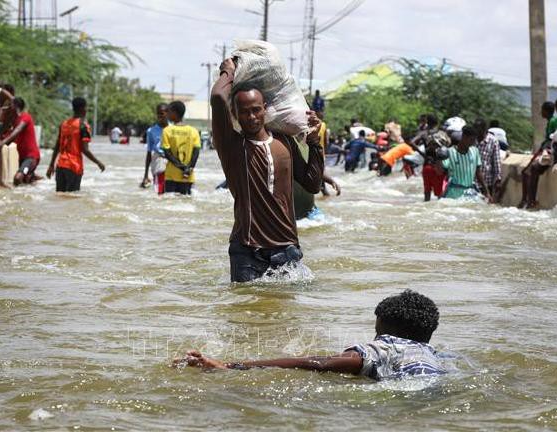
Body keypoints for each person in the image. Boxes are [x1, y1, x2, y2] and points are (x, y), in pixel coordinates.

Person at [211, 58, 323, 283]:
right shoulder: (231, 145)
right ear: (235, 114)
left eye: (255, 110)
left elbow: (312, 183)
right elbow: (217, 97)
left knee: (285, 317)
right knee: (247, 314)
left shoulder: (286, 142)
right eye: (244, 112)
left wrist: (315, 144)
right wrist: (228, 72)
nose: (251, 117)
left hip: (287, 248)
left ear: (265, 109)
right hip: (247, 251)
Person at [173, 290, 445, 380]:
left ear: (382, 329)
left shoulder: (383, 349)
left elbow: (317, 363)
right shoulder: (435, 356)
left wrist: (228, 366)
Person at [46, 97, 105, 192]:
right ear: (82, 109)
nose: (86, 110)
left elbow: (57, 146)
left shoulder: (64, 124)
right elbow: (85, 150)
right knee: (72, 199)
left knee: (61, 197)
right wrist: (98, 163)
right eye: (86, 108)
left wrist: (51, 165)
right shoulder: (83, 126)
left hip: (61, 166)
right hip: (74, 166)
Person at [0, 97, 41, 186]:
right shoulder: (14, 122)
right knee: (25, 183)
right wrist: (1, 117)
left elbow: (17, 131)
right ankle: (32, 178)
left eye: (9, 105)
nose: (8, 108)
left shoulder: (25, 117)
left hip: (31, 157)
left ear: (15, 106)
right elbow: (1, 136)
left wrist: (3, 142)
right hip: (22, 159)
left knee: (17, 178)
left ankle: (31, 177)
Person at [440, 125, 491, 201]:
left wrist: (487, 192)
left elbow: (478, 172)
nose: (473, 142)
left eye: (474, 140)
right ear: (463, 137)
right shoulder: (450, 152)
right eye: (471, 140)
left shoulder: (475, 151)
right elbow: (440, 171)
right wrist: (438, 159)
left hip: (470, 191)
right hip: (453, 192)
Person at [160, 101, 201, 195]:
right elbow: (196, 153)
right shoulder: (193, 131)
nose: (167, 114)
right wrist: (188, 168)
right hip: (188, 176)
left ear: (174, 113)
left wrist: (182, 168)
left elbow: (167, 154)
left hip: (171, 176)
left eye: (168, 111)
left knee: (171, 204)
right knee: (186, 205)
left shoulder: (167, 131)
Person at [410, 114, 449, 200]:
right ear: (437, 122)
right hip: (439, 166)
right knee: (440, 195)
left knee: (427, 194)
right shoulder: (442, 133)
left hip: (427, 165)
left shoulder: (424, 133)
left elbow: (411, 142)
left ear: (427, 122)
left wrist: (422, 154)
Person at [140, 103, 168, 194]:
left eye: (162, 114)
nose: (160, 116)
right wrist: (145, 175)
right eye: (158, 114)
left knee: (169, 187)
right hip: (158, 159)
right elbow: (149, 152)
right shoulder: (151, 131)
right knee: (159, 188)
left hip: (171, 159)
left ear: (168, 114)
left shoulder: (173, 128)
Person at [474, 118, 502, 198]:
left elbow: (496, 163)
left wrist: (497, 180)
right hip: (472, 183)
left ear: (484, 129)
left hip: (487, 182)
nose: (476, 132)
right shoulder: (472, 140)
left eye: (478, 130)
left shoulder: (493, 141)